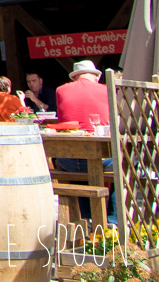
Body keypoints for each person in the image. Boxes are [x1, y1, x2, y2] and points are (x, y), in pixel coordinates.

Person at [54, 60, 115, 224]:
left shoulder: (61, 90)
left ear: (75, 78)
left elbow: (62, 122)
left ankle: (86, 220)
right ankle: (113, 220)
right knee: (121, 166)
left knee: (77, 169)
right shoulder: (107, 90)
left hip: (68, 161)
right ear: (96, 76)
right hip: (100, 160)